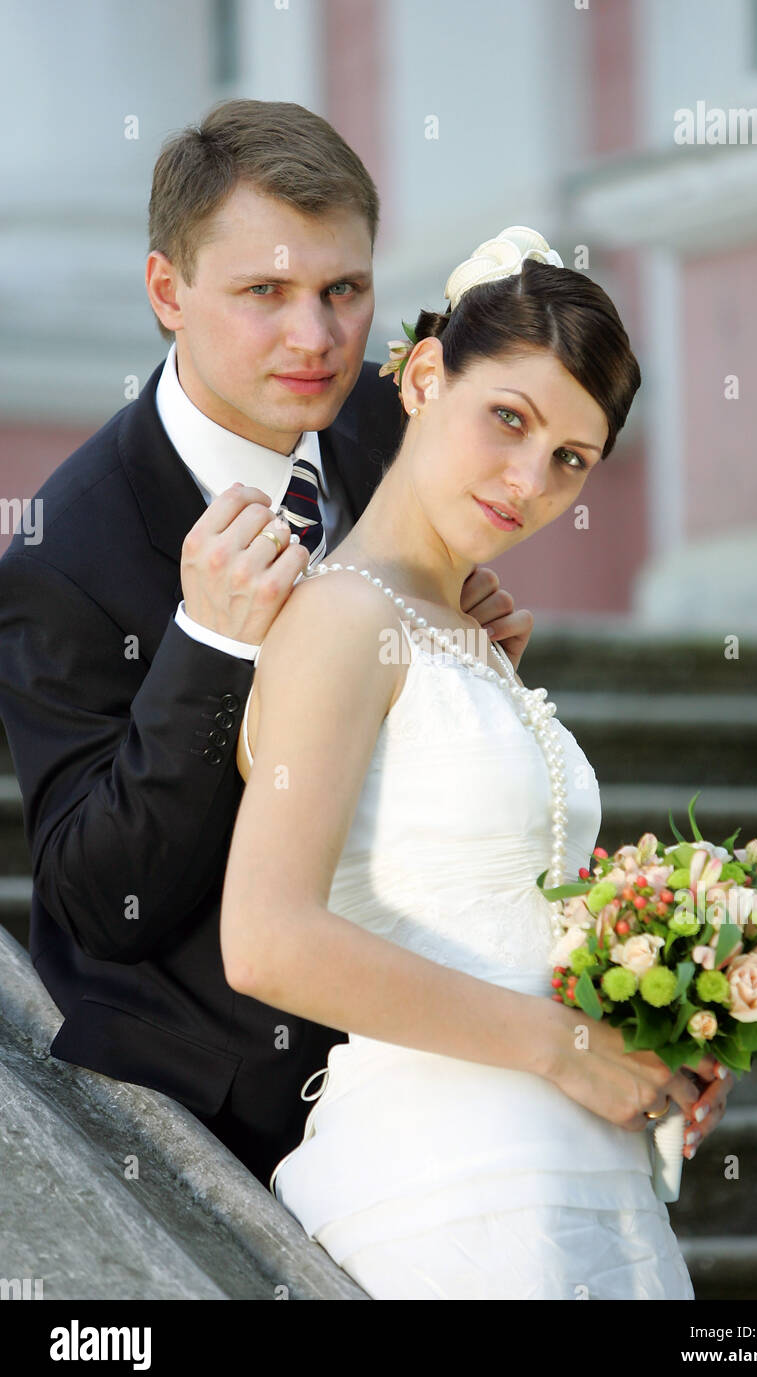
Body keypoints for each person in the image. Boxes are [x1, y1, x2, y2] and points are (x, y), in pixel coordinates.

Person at [0, 99, 533, 1189]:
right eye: (265, 294)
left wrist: (461, 667)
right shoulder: (65, 557)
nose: (318, 337)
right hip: (235, 1106)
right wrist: (207, 643)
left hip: (432, 1037)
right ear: (168, 293)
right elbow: (98, 901)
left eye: (344, 289)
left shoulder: (386, 430)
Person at [220, 226, 734, 1300]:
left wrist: (649, 1028)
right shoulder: (338, 619)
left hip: (582, 1180)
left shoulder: (475, 639)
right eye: (507, 418)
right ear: (420, 375)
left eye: (568, 461)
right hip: (453, 1190)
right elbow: (264, 938)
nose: (525, 480)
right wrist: (562, 1046)